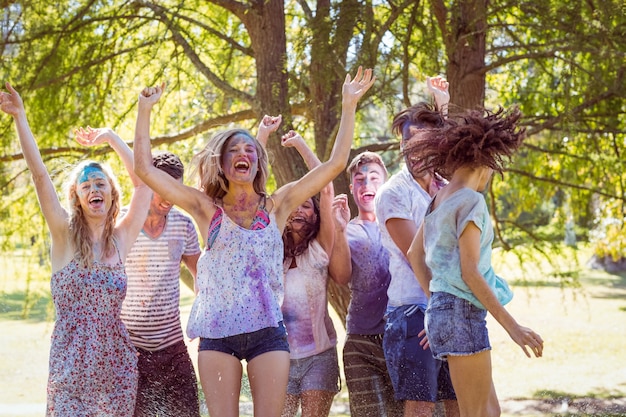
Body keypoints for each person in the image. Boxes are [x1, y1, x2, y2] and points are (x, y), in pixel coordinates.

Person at [132, 67, 375, 417]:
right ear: (223, 162)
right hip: (218, 333)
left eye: (249, 148)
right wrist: (145, 110)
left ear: (257, 161)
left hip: (267, 332)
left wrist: (348, 104)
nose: (242, 153)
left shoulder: (278, 206)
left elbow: (336, 164)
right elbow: (143, 169)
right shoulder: (206, 208)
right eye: (233, 150)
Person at [0, 84, 151, 415]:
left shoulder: (120, 239)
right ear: (77, 198)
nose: (94, 188)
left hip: (117, 373)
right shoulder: (63, 236)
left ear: (111, 195)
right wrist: (20, 118)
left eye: (101, 184)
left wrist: (112, 137)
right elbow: (40, 176)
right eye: (86, 185)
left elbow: (143, 183)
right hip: (70, 372)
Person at [407, 107, 544, 417]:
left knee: (489, 412)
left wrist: (439, 305)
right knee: (478, 414)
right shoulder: (471, 200)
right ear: (485, 161)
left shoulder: (438, 199)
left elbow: (414, 255)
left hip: (444, 311)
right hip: (462, 314)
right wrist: (513, 327)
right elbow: (470, 271)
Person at [374, 76, 459, 417]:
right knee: (422, 407)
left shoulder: (448, 186)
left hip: (450, 310)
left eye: (424, 143)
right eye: (407, 143)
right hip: (412, 314)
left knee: (461, 402)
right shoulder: (392, 194)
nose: (413, 151)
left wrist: (443, 106)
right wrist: (437, 311)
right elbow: (419, 258)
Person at [119, 150, 202, 417]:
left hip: (173, 348)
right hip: (130, 351)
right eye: (163, 187)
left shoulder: (183, 226)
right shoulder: (120, 222)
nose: (169, 197)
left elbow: (203, 276)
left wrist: (206, 317)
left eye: (175, 189)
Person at [329, 152, 403, 417]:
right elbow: (339, 276)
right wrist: (337, 230)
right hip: (363, 343)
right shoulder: (347, 230)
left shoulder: (403, 223)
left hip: (405, 336)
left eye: (374, 178)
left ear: (385, 183)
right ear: (352, 189)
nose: (366, 184)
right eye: (359, 180)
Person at [276, 130, 341, 417]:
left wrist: (301, 145)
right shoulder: (271, 253)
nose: (300, 211)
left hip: (319, 356)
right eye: (294, 205)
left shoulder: (319, 249)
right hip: (277, 357)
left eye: (307, 205)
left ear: (316, 215)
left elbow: (325, 187)